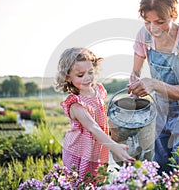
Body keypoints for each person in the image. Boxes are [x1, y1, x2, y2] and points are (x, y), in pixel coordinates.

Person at [128, 0, 179, 173]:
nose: (153, 28)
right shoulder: (144, 35)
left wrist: (153, 84)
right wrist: (134, 82)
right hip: (162, 104)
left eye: (160, 22)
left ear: (173, 15)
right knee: (161, 166)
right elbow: (135, 71)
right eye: (148, 22)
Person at [54, 47, 135, 182]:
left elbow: (102, 111)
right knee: (79, 182)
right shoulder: (75, 103)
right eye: (80, 75)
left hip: (98, 145)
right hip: (79, 150)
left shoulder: (98, 90)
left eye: (90, 72)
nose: (87, 78)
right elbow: (93, 127)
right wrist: (114, 146)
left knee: (97, 179)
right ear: (68, 77)